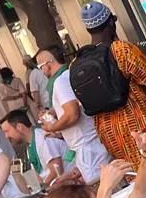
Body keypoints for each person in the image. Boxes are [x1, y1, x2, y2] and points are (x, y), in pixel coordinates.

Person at [72, 2, 146, 167]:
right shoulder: (121, 50)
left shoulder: (76, 63)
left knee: (138, 182)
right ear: (110, 23)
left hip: (111, 135)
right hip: (141, 125)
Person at [38, 49, 112, 185]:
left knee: (104, 189)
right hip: (91, 141)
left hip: (87, 145)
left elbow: (72, 114)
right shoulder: (69, 75)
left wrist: (52, 126)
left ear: (48, 64)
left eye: (39, 66)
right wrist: (55, 113)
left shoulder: (59, 82)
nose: (41, 71)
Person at [0, 109, 69, 188]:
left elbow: (56, 169)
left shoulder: (42, 137)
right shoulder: (30, 146)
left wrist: (42, 188)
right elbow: (38, 176)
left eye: (7, 131)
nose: (6, 136)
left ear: (20, 127)